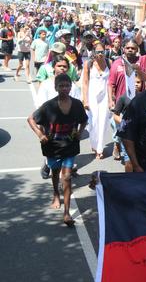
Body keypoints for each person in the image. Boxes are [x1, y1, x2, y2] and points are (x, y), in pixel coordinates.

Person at [27, 74, 87, 227]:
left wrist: (80, 132)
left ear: (71, 87)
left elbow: (84, 119)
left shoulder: (77, 104)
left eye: (67, 85)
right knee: (55, 173)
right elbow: (31, 119)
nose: (64, 88)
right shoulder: (49, 106)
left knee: (66, 177)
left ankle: (66, 213)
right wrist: (40, 134)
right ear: (56, 88)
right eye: (61, 86)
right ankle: (56, 193)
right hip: (52, 146)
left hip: (70, 146)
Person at [81, 42, 111, 160]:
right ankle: (94, 144)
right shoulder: (88, 64)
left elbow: (111, 82)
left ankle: (100, 148)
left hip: (105, 96)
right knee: (93, 122)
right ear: (93, 52)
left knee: (103, 122)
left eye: (102, 52)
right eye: (97, 52)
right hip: (92, 95)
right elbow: (85, 83)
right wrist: (85, 100)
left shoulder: (109, 63)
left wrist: (111, 99)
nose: (100, 54)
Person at [111, 71, 145, 171]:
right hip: (127, 133)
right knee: (128, 158)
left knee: (139, 157)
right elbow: (115, 115)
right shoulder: (123, 98)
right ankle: (128, 179)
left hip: (140, 133)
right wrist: (124, 122)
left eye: (138, 82)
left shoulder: (144, 97)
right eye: (133, 82)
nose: (135, 84)